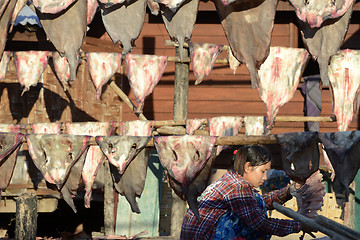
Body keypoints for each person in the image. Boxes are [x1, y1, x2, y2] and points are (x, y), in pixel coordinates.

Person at [180, 145, 311, 240]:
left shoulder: (232, 181)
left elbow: (254, 203)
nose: (265, 177)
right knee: (255, 223)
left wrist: (289, 191)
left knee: (256, 205)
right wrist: (298, 226)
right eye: (263, 171)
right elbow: (260, 223)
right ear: (248, 167)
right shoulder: (236, 187)